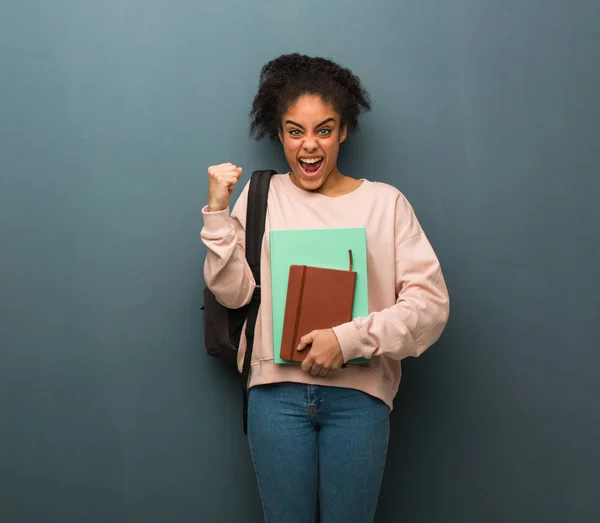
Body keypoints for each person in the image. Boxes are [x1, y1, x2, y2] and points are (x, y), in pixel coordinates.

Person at [201, 53, 450, 523]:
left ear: (344, 131)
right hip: (275, 397)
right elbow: (233, 295)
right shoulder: (260, 197)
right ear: (279, 134)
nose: (309, 146)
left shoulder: (385, 204)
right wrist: (217, 213)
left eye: (324, 130)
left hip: (358, 397)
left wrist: (349, 339)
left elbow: (430, 306)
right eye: (295, 131)